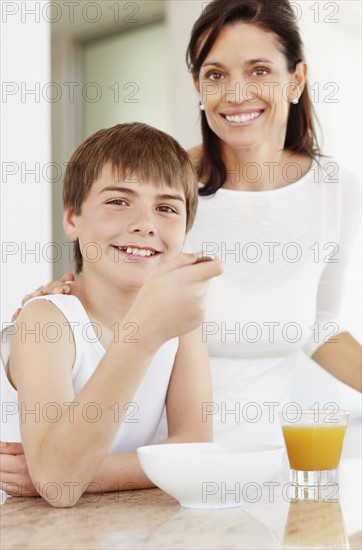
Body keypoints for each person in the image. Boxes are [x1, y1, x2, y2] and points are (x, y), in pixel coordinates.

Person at [1, 0, 361, 493]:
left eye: (259, 70)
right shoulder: (167, 190)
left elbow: (319, 326)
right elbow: (104, 295)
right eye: (214, 74)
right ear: (198, 87)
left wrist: (66, 474)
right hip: (156, 474)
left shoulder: (335, 189)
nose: (235, 93)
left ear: (296, 80)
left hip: (258, 465)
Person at [0, 122, 222, 506]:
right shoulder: (46, 322)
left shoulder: (181, 325)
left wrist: (80, 471)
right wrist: (143, 334)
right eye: (119, 201)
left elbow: (194, 448)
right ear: (72, 220)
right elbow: (61, 487)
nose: (145, 225)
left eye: (167, 208)